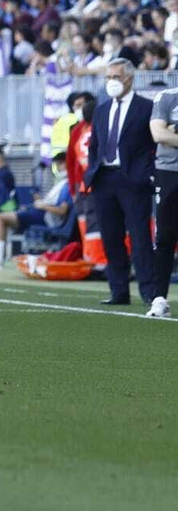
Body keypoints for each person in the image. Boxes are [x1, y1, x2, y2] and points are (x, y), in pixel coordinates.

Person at [85, 59, 157, 308]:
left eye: (116, 76)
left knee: (140, 238)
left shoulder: (146, 107)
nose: (111, 82)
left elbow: (154, 143)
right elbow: (94, 144)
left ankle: (149, 292)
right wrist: (92, 171)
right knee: (111, 238)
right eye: (108, 77)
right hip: (104, 179)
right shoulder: (101, 109)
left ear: (129, 78)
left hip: (133, 181)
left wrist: (146, 174)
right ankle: (119, 291)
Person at [143, 83, 178, 318]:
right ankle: (159, 298)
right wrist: (168, 132)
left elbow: (167, 135)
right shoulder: (167, 96)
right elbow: (158, 134)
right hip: (168, 173)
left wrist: (173, 133)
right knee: (165, 236)